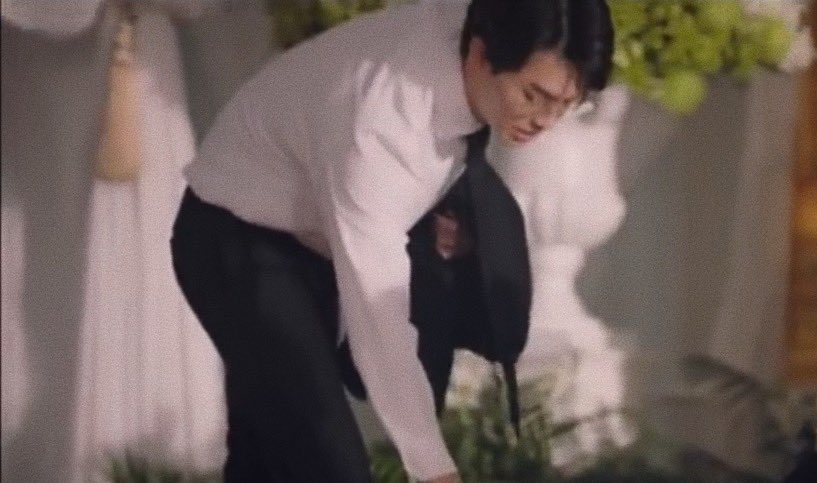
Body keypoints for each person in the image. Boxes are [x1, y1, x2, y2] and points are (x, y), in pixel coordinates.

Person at [170, 0, 614, 482]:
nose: (545, 121)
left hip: (313, 239)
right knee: (330, 464)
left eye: (566, 104)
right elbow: (378, 313)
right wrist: (433, 467)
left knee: (265, 463)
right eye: (532, 95)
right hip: (233, 236)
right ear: (480, 54)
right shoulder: (384, 124)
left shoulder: (478, 22)